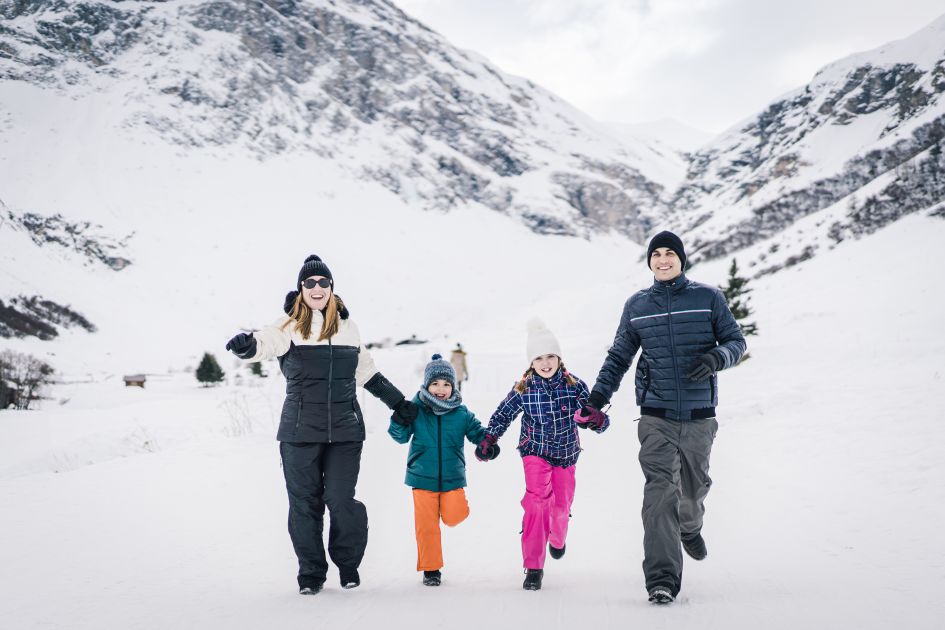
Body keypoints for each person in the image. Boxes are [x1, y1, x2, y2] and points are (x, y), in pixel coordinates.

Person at [225, 254, 419, 595]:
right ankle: (311, 574)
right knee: (305, 504)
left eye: (323, 282)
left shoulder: (348, 328)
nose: (317, 288)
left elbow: (367, 372)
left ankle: (347, 564)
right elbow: (264, 345)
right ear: (301, 289)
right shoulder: (287, 327)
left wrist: (398, 403)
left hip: (345, 431)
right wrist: (247, 347)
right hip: (299, 433)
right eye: (310, 283)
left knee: (342, 500)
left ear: (331, 288)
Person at [577, 231, 747, 605]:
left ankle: (690, 527)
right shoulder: (637, 305)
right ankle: (662, 579)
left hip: (701, 416)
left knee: (693, 490)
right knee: (659, 494)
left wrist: (717, 358)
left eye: (670, 253)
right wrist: (596, 400)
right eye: (656, 254)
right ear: (650, 262)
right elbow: (618, 358)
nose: (663, 259)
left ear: (682, 259)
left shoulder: (708, 298)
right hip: (656, 415)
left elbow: (737, 342)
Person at [476, 319, 608, 591]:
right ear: (530, 362)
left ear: (559, 358)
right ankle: (533, 566)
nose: (545, 362)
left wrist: (595, 419)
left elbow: (598, 419)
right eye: (538, 358)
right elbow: (503, 414)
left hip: (567, 453)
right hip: (534, 451)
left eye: (550, 356)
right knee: (536, 503)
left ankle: (558, 538)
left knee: (561, 507)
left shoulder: (574, 385)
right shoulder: (524, 387)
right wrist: (489, 438)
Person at [388, 354, 494, 586]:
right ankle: (431, 569)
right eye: (435, 383)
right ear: (426, 385)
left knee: (454, 515)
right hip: (421, 475)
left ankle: (451, 516)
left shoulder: (461, 413)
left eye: (446, 384)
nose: (440, 388)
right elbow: (400, 437)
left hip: (452, 477)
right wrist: (398, 420)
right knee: (426, 527)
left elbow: (478, 432)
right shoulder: (415, 408)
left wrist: (488, 444)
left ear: (453, 387)